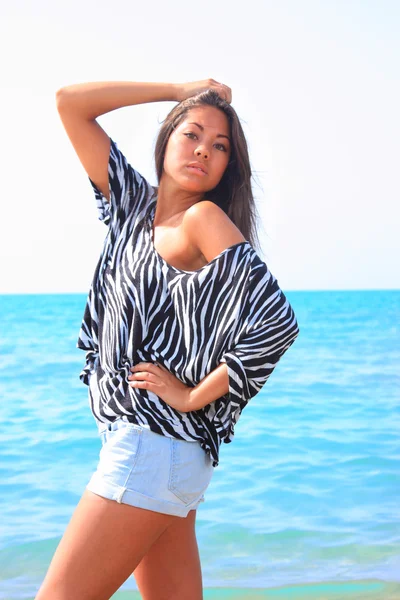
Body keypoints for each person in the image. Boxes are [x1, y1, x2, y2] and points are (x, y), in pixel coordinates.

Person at [35, 80, 300, 600]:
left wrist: (191, 394)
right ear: (166, 140)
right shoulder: (133, 206)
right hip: (164, 452)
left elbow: (276, 323)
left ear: (227, 167)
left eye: (220, 145)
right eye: (192, 133)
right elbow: (70, 104)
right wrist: (180, 90)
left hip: (151, 445)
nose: (203, 148)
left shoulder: (203, 219)